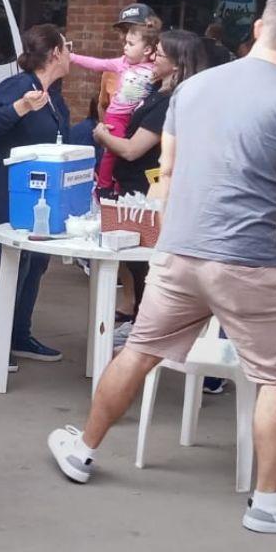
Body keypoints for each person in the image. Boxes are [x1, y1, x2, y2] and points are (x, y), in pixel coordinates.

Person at [48, 0, 276, 536]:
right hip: (250, 261)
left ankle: (82, 449)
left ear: (258, 28)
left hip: (180, 252)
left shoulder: (193, 88)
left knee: (139, 351)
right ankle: (269, 503)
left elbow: (168, 174)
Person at [95, 30, 208, 348]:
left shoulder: (171, 102)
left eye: (158, 54)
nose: (152, 58)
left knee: (146, 264)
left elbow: (133, 149)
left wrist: (102, 136)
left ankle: (146, 334)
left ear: (177, 63)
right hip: (134, 188)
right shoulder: (155, 91)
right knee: (137, 264)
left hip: (148, 192)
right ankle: (140, 325)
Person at [0, 24, 72, 366]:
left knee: (36, 263)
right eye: (67, 47)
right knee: (16, 263)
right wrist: (20, 108)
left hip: (41, 197)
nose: (71, 54)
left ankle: (20, 336)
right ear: (55, 53)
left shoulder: (54, 95)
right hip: (9, 194)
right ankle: (1, 344)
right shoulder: (18, 86)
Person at [70, 5, 159, 196]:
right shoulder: (121, 64)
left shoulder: (157, 67)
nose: (124, 42)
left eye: (130, 35)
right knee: (113, 151)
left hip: (139, 126)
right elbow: (97, 66)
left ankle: (114, 185)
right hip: (117, 117)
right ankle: (104, 186)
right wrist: (72, 57)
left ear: (148, 47)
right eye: (123, 33)